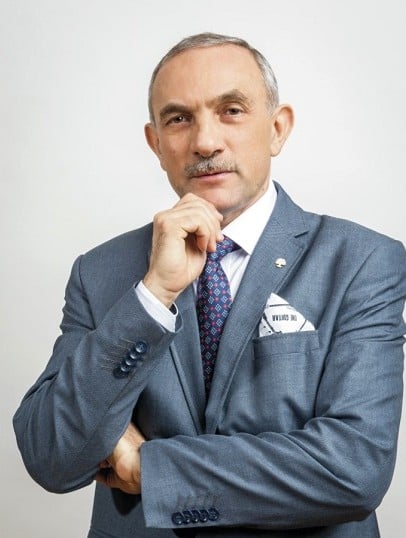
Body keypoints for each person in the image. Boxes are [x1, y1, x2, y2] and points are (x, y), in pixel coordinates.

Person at [13, 32, 406, 538]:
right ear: (156, 143)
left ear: (277, 129)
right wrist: (153, 295)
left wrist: (151, 470)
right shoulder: (101, 272)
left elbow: (354, 468)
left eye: (231, 111)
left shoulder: (362, 262)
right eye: (179, 118)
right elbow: (51, 456)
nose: (205, 142)